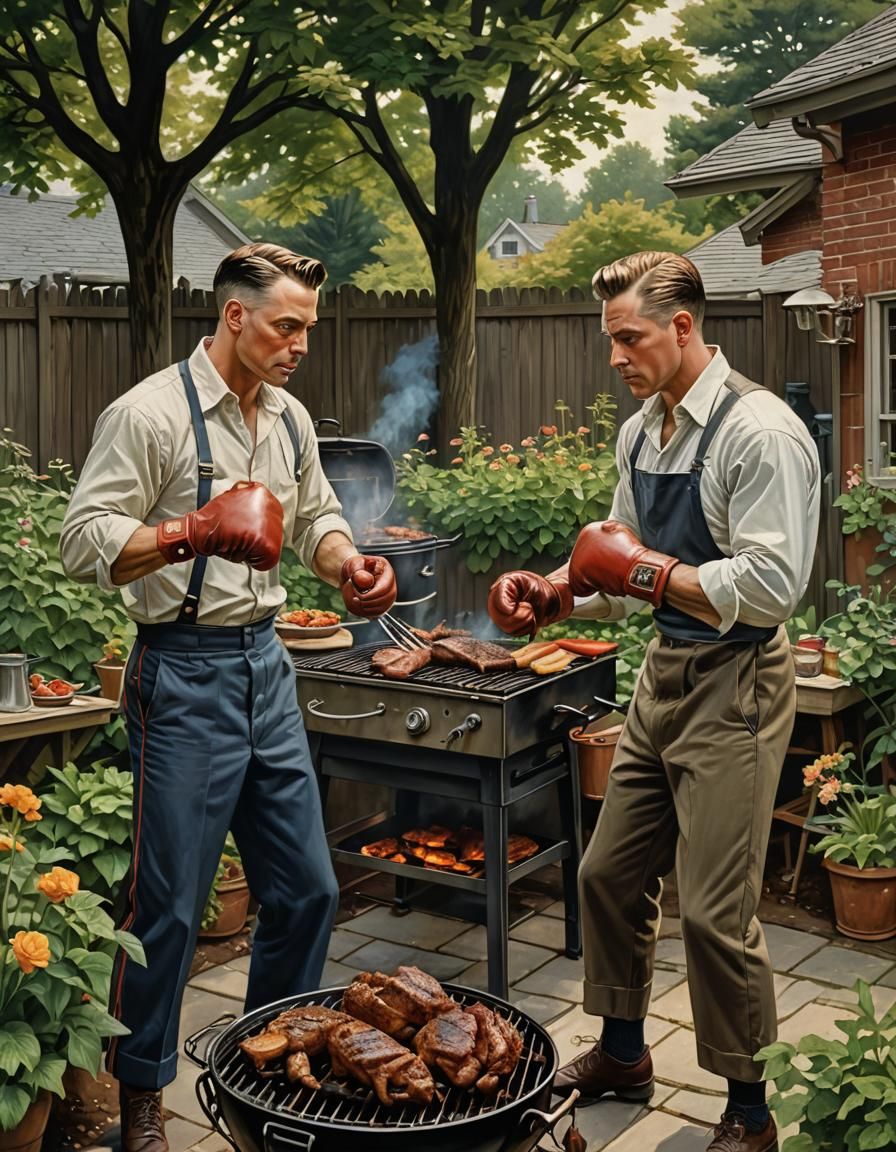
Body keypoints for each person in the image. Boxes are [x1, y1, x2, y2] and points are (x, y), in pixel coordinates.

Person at [60, 242, 397, 1152]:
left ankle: (259, 1064)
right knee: (168, 904)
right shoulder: (150, 414)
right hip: (180, 672)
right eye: (287, 327)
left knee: (308, 892)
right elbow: (83, 540)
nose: (299, 346)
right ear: (234, 315)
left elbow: (319, 516)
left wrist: (349, 565)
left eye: (308, 331)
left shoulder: (286, 419)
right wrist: (191, 530)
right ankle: (141, 1094)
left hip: (267, 669)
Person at [488, 252, 820, 1152]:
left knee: (715, 912)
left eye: (628, 337)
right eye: (610, 339)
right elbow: (616, 560)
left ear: (682, 328)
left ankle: (751, 1111)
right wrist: (557, 589)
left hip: (738, 684)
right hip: (663, 676)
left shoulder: (761, 432)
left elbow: (772, 584)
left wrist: (640, 570)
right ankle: (627, 1052)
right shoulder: (645, 432)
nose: (615, 355)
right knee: (607, 874)